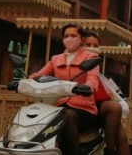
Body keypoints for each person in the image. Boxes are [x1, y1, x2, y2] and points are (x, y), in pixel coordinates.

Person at [29, 24, 100, 155]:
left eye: (73, 36)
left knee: (67, 115)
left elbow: (93, 78)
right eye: (66, 36)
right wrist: (25, 80)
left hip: (83, 109)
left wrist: (88, 87)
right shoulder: (56, 59)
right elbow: (41, 74)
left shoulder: (90, 57)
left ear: (82, 40)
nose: (69, 39)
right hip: (58, 106)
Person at [83, 31, 131, 155]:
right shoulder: (75, 63)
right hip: (83, 107)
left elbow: (100, 92)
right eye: (88, 44)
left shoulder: (96, 65)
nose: (92, 48)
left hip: (100, 109)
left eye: (95, 45)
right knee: (114, 108)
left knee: (121, 135)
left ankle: (110, 150)